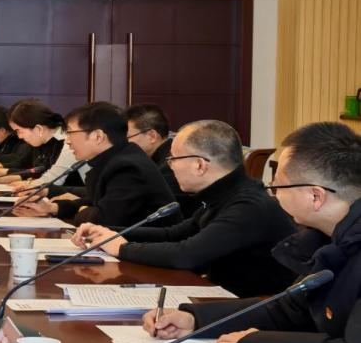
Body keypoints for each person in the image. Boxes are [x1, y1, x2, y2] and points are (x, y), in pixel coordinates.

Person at [144, 122, 361, 343]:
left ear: (315, 196)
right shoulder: (326, 238)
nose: (274, 196)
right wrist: (195, 319)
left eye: (278, 187)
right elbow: (288, 311)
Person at [71, 120, 297, 296]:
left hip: (251, 309)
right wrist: (111, 233)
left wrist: (121, 248)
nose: (170, 166)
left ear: (199, 165)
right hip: (223, 296)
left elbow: (187, 254)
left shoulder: (248, 205)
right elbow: (174, 234)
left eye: (174, 159)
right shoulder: (224, 194)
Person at [13, 101, 180, 229]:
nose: (67, 141)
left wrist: (84, 211)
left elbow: (102, 219)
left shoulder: (127, 166)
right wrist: (51, 208)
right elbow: (93, 202)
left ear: (98, 136)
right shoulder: (115, 159)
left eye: (70, 133)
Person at [0, 100, 84, 190]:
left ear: (38, 129)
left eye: (19, 131)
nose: (19, 136)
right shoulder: (40, 141)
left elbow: (53, 179)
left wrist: (23, 183)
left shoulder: (66, 142)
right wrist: (2, 175)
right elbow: (29, 167)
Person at [125, 103, 199, 217]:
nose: (123, 143)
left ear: (152, 136)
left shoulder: (170, 166)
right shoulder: (154, 161)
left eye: (127, 137)